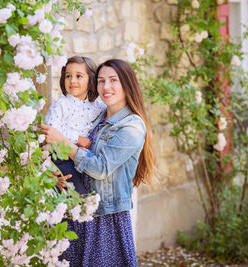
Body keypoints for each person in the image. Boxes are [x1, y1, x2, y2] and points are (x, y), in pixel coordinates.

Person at [40, 59, 155, 266]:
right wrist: (52, 175)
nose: (106, 87)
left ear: (127, 84)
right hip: (75, 207)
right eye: (101, 81)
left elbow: (100, 168)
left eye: (113, 80)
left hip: (104, 217)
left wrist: (64, 142)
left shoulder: (131, 126)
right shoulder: (97, 115)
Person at [45, 56, 105, 194]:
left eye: (79, 76)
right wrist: (77, 139)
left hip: (85, 159)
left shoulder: (98, 106)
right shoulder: (61, 105)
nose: (72, 81)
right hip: (63, 159)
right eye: (68, 76)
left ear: (91, 79)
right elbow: (51, 130)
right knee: (78, 196)